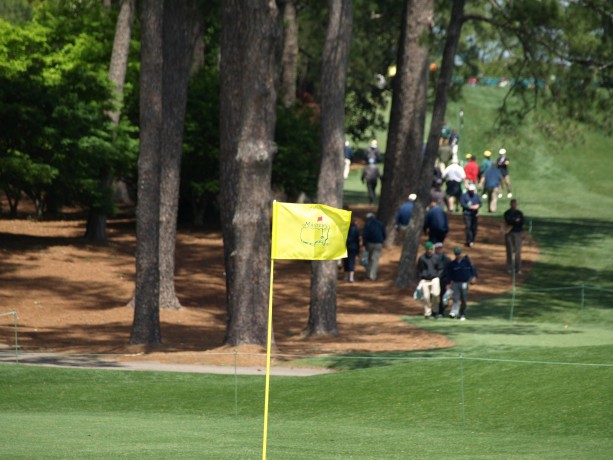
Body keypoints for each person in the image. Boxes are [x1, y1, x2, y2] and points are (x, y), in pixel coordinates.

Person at [447, 247, 477, 320]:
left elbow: (473, 271)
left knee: (463, 299)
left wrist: (474, 277)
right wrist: (448, 283)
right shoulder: (453, 263)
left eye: (459, 254)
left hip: (464, 283)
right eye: (456, 254)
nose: (458, 255)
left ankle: (463, 314)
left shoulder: (467, 262)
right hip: (456, 283)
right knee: (455, 299)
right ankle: (454, 313)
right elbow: (449, 274)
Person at [416, 241, 443, 319]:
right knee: (426, 297)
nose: (429, 250)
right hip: (425, 279)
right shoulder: (422, 258)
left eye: (431, 249)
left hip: (434, 278)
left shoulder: (436, 258)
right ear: (426, 249)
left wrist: (438, 276)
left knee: (435, 294)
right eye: (428, 249)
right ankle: (427, 313)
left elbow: (440, 268)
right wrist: (421, 277)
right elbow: (419, 269)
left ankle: (435, 311)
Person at [362, 213, 386, 281]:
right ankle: (372, 276)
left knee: (369, 259)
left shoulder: (367, 224)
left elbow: (365, 234)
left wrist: (364, 244)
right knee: (375, 260)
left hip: (369, 243)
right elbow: (384, 233)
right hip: (378, 243)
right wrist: (382, 240)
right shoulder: (380, 223)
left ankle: (368, 274)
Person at [503, 199, 525, 274]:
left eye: (515, 204)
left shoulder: (519, 213)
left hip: (518, 233)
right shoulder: (507, 213)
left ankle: (518, 268)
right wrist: (515, 221)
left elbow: (521, 222)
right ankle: (509, 268)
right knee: (509, 250)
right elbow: (508, 221)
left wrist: (515, 221)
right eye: (513, 204)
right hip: (509, 233)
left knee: (517, 251)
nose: (514, 205)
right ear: (510, 205)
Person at [460, 183, 481, 247]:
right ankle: (469, 241)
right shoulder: (464, 196)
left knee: (474, 228)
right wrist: (470, 207)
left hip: (474, 214)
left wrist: (478, 206)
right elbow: (462, 204)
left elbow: (480, 203)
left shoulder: (476, 196)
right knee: (468, 227)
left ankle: (472, 240)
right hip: (467, 214)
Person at [434, 242, 452, 318]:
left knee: (442, 296)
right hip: (434, 279)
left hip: (444, 280)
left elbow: (450, 271)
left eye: (440, 248)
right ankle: (434, 311)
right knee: (434, 295)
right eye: (437, 248)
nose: (439, 250)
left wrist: (449, 282)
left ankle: (441, 311)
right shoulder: (432, 258)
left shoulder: (447, 259)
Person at [343, 218, 361, 282]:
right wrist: (358, 249)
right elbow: (357, 240)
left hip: (345, 247)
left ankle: (345, 276)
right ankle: (351, 277)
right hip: (353, 247)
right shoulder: (356, 229)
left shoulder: (345, 229)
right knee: (351, 262)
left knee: (346, 262)